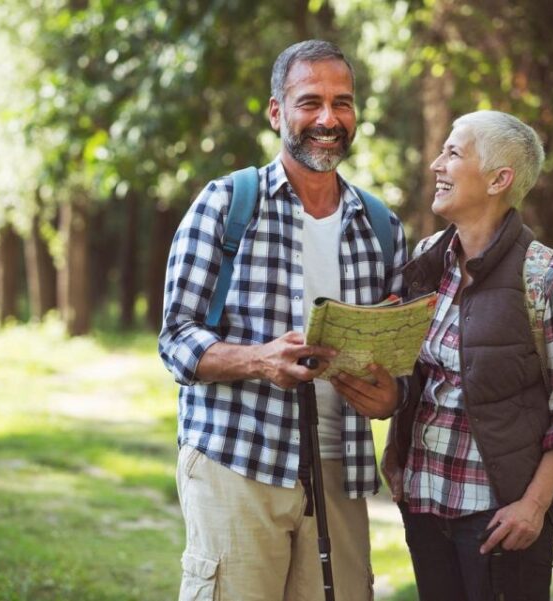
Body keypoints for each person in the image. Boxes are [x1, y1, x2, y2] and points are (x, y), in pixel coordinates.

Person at [159, 39, 407, 600]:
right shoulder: (225, 205)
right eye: (309, 102)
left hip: (339, 467)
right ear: (276, 111)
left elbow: (400, 359)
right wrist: (259, 360)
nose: (328, 118)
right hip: (238, 457)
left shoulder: (382, 227)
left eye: (342, 103)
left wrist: (391, 397)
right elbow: (176, 339)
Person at [372, 110, 553, 600]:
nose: (436, 165)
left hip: (501, 517)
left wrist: (533, 505)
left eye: (453, 153)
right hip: (424, 504)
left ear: (498, 179)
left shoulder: (547, 278)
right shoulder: (428, 260)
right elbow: (418, 377)